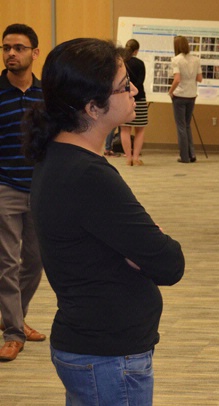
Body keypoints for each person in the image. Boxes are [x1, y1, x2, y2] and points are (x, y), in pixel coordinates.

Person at [23, 38, 185, 403]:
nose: (135, 90)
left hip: (94, 347)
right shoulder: (88, 176)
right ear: (93, 107)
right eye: (124, 85)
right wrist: (147, 247)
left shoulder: (58, 156)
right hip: (108, 355)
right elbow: (169, 262)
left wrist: (138, 252)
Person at [0, 23, 45, 362]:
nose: (11, 53)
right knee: (7, 262)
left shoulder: (47, 95)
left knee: (35, 260)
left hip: (40, 189)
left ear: (35, 52)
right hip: (4, 188)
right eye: (6, 48)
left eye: (19, 47)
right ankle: (14, 332)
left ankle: (15, 315)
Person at [169, 35, 202, 163]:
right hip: (191, 95)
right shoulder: (196, 59)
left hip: (179, 95)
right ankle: (192, 154)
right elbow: (200, 78)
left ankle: (184, 157)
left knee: (181, 126)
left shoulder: (176, 60)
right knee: (187, 125)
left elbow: (177, 79)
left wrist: (170, 91)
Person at [120, 39, 148, 166]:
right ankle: (136, 158)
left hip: (124, 98)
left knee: (125, 129)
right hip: (140, 98)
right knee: (140, 130)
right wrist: (134, 91)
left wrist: (127, 91)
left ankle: (128, 158)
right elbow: (140, 82)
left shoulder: (121, 64)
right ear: (136, 51)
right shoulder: (140, 64)